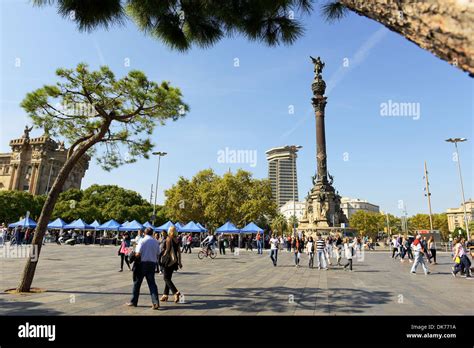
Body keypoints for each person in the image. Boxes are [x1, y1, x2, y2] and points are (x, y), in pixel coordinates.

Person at [126, 227, 161, 309]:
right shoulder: (156, 242)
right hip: (152, 264)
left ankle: (134, 301)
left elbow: (137, 254)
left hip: (142, 264)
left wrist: (132, 254)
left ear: (144, 233)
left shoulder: (142, 241)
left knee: (137, 283)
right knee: (152, 284)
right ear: (152, 233)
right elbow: (158, 253)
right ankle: (155, 302)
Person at [160, 226, 183, 303]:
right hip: (174, 261)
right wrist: (179, 262)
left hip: (168, 261)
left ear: (169, 231)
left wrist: (162, 256)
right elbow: (179, 252)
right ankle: (165, 295)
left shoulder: (168, 238)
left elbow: (167, 250)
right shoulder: (177, 239)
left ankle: (176, 292)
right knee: (168, 278)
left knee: (166, 278)